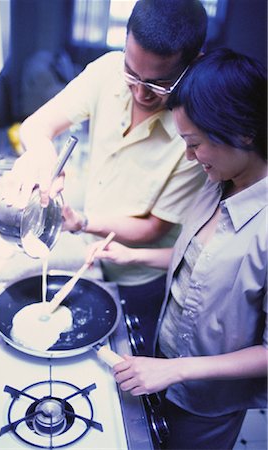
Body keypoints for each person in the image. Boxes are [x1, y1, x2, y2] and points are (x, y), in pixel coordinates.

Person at [5, 0, 208, 355]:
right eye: (132, 74)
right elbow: (36, 125)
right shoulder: (107, 71)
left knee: (131, 355)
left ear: (191, 66)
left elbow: (153, 228)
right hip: (94, 257)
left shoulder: (194, 134)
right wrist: (43, 156)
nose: (140, 92)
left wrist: (82, 221)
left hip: (141, 275)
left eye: (158, 84)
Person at [93, 48, 267, 450]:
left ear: (244, 132)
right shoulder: (218, 180)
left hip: (206, 400)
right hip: (162, 364)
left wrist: (177, 371)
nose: (189, 156)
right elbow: (202, 263)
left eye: (195, 143)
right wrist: (132, 256)